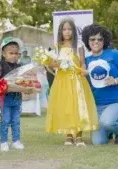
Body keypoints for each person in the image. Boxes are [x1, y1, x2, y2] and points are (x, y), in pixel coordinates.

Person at [46, 18, 98, 146]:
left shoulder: (78, 46)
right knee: (66, 108)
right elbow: (52, 64)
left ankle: (79, 136)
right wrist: (54, 63)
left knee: (79, 107)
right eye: (64, 29)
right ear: (60, 31)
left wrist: (84, 71)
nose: (67, 32)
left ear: (73, 31)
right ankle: (68, 135)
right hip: (62, 81)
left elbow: (82, 63)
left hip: (76, 80)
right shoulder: (57, 47)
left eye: (69, 29)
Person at [82, 24, 118, 145]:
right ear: (87, 41)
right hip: (97, 106)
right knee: (98, 142)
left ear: (104, 40)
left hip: (117, 103)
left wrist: (115, 80)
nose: (96, 41)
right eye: (92, 39)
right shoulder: (86, 61)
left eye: (99, 39)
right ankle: (109, 131)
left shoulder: (113, 54)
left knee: (107, 122)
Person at [0, 37, 36, 152]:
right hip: (5, 98)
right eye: (10, 53)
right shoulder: (0, 65)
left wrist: (28, 83)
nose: (14, 55)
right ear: (4, 53)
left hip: (17, 97)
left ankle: (16, 141)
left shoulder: (20, 66)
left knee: (16, 120)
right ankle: (3, 142)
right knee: (5, 119)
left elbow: (24, 79)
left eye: (16, 53)